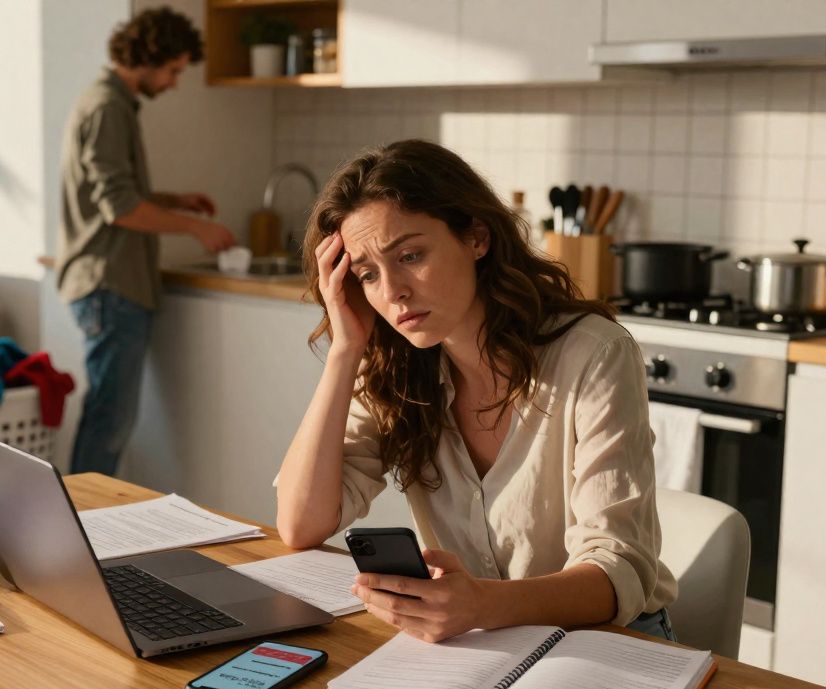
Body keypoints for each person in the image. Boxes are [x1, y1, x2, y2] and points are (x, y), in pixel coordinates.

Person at [276, 140, 677, 643]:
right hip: (483, 643)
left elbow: (619, 571)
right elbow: (301, 525)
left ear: (477, 238)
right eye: (368, 274)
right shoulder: (393, 367)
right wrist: (345, 350)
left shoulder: (593, 353)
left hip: (610, 641)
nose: (393, 291)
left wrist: (480, 604)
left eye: (411, 255)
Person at [58, 7, 236, 475]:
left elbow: (112, 193)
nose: (175, 82)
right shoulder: (108, 107)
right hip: (110, 284)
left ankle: (78, 526)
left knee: (108, 418)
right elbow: (119, 207)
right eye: (174, 70)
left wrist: (173, 200)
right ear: (150, 58)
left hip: (110, 284)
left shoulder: (109, 102)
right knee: (109, 422)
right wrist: (197, 228)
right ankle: (79, 530)